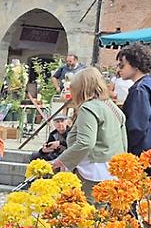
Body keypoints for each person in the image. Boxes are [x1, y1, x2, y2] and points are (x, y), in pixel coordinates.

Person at [52, 68, 127, 197]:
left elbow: (85, 142)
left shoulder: (88, 108)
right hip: (113, 170)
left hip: (93, 171)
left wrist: (61, 160)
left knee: (88, 211)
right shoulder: (110, 105)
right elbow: (123, 140)